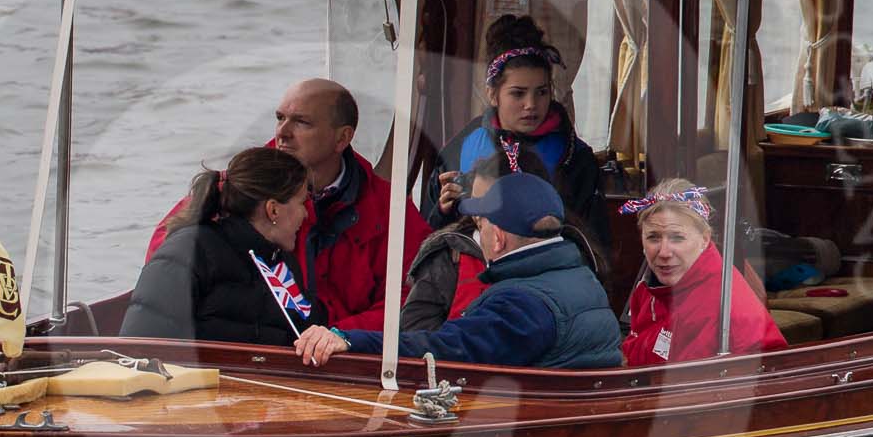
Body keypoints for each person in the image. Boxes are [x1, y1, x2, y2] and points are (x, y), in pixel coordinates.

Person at [147, 78, 428, 331]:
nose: (283, 132)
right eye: (280, 118)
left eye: (301, 122)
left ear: (342, 137)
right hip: (251, 352)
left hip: (346, 358)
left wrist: (336, 336)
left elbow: (417, 299)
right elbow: (166, 257)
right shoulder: (237, 186)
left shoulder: (389, 209)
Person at [296, 172, 622, 370]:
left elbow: (448, 350)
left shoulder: (523, 303)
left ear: (498, 237)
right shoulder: (580, 276)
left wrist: (349, 340)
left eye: (481, 224)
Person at [427, 14, 609, 253]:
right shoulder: (462, 147)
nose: (531, 104)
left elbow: (594, 244)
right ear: (493, 94)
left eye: (542, 92)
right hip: (473, 280)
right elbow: (427, 234)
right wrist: (443, 211)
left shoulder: (574, 157)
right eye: (518, 93)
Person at [122, 147, 323, 347]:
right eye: (301, 203)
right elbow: (142, 344)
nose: (305, 214)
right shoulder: (189, 251)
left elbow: (304, 332)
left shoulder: (281, 262)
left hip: (266, 376)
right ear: (273, 210)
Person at [619, 180, 787, 365]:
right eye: (653, 237)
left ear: (704, 239)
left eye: (677, 238)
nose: (664, 252)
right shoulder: (647, 291)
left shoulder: (728, 307)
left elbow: (768, 377)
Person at [399, 156, 500, 333]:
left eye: (491, 205)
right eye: (475, 203)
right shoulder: (447, 256)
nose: (479, 213)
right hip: (452, 356)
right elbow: (414, 332)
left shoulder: (550, 260)